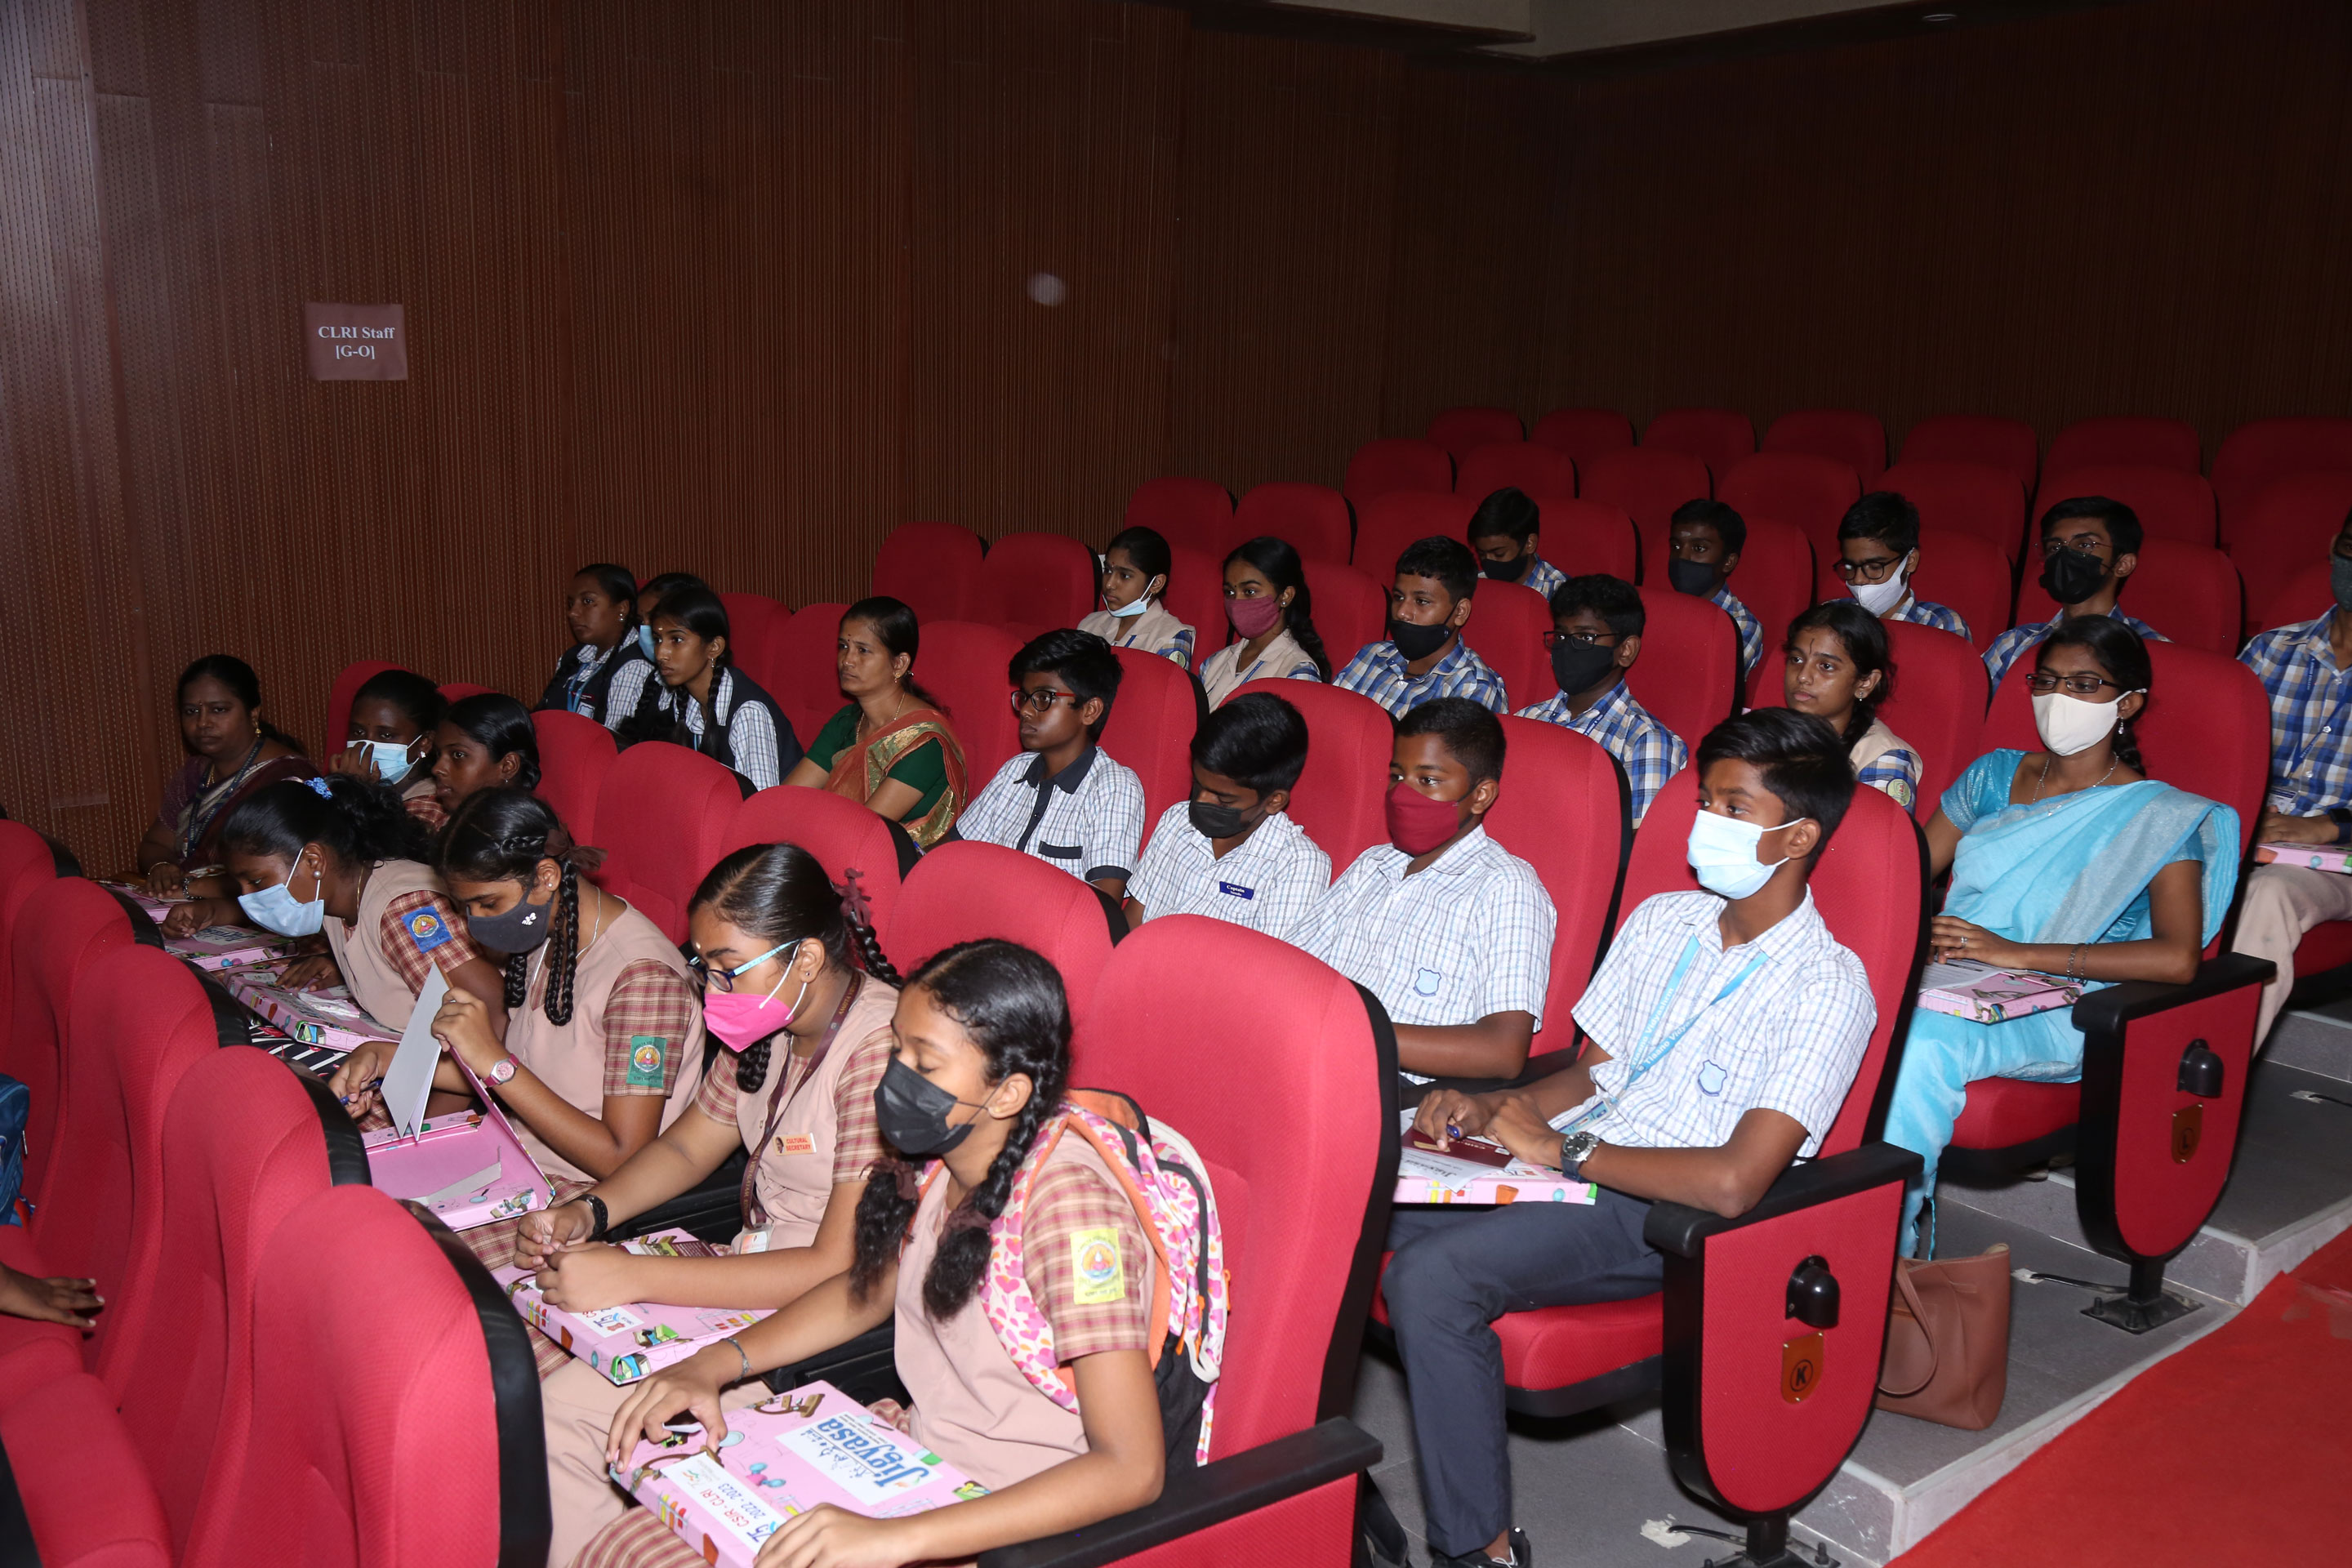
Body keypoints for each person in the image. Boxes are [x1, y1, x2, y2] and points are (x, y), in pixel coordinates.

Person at [1388, 709, 1874, 1568]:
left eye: (1735, 808)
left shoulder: (1828, 985)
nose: (1707, 823)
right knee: (1345, 1195)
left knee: (1434, 1278)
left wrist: (1562, 1152)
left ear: (1798, 836)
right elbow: (1593, 1075)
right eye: (1707, 802)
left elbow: (1735, 1182)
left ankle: (1481, 1553)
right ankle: (1307, 1480)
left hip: (1655, 1209)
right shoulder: (1664, 920)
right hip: (1567, 1159)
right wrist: (1495, 1108)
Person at [593, 940, 1170, 1568]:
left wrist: (895, 1540)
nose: (896, 1077)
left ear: (1007, 1095)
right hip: (917, 1467)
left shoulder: (1074, 1211)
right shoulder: (943, 1161)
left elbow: (1131, 1468)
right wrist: (716, 1362)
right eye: (897, 1048)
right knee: (636, 1540)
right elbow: (867, 1291)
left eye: (925, 1062)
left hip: (1010, 1523)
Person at [532, 843, 900, 1565]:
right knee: (545, 1374)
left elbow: (837, 1264)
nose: (712, 988)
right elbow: (686, 1148)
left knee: (569, 1420)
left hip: (815, 1315)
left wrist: (632, 1275)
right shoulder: (768, 1024)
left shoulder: (878, 1051)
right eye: (704, 966)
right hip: (747, 1271)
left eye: (729, 968)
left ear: (806, 960)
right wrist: (590, 1213)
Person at [1885, 618, 2237, 1253]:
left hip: (2065, 1003)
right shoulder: (1993, 776)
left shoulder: (2159, 816)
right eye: (2046, 681)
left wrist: (2013, 952)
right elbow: (1904, 879)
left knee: (1916, 1041)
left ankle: (1886, 1247)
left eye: (2083, 685)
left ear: (2128, 704)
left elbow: (2178, 957)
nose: (2058, 699)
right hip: (1952, 972)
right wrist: (1914, 932)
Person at [333, 788, 708, 1259]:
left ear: (546, 877)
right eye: (466, 907)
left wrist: (496, 1062)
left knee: (392, 1253)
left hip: (576, 1193)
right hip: (514, 1151)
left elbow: (622, 1157)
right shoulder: (548, 933)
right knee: (340, 1185)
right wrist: (386, 1058)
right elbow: (524, 1076)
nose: (475, 924)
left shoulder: (643, 981)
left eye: (488, 903)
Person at [1294, 699, 1554, 1082]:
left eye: (1428, 780)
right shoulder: (1374, 864)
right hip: (1308, 1054)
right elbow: (1294, 964)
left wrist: (1353, 1033)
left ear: (1481, 795)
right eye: (1397, 776)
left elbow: (1502, 1050)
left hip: (1393, 1084)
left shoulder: (1506, 888)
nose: (1403, 794)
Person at [163, 775, 507, 1031]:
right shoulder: (333, 901)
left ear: (313, 861)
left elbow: (487, 1008)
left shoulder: (404, 910)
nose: (247, 895)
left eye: (256, 881)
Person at [2232, 509, 2352, 1045]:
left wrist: (2329, 827)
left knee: (2272, 893)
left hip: (2340, 859)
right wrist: (2246, 803)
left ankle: (2217, 1069)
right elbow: (2221, 751)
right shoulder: (2271, 651)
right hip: (2254, 836)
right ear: (2334, 544)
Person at [950, 630, 1145, 901]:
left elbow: (1102, 906)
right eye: (1025, 697)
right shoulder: (1015, 771)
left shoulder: (1113, 788)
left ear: (1089, 711)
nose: (1026, 710)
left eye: (1043, 698)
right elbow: (949, 855)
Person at [1123, 692, 1330, 938]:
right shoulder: (1177, 821)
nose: (1201, 801)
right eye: (1198, 784)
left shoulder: (1297, 865)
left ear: (1274, 801)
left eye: (1223, 799)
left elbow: (1269, 961)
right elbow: (1132, 922)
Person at [782, 597, 969, 848]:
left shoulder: (924, 740)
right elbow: (787, 798)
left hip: (895, 860)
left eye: (863, 650)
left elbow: (861, 830)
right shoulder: (847, 721)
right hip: (830, 843)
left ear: (899, 664)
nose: (847, 660)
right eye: (843, 646)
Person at [137, 654, 317, 899]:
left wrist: (193, 889)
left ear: (253, 713)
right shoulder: (195, 772)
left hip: (262, 914)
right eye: (191, 711)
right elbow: (155, 844)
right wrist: (162, 868)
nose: (202, 722)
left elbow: (291, 872)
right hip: (187, 905)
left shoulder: (290, 777)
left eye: (218, 710)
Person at [1513, 575, 1687, 826]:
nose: (1568, 648)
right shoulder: (1526, 718)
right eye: (1561, 636)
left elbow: (1636, 844)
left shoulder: (1646, 741)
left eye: (1585, 638)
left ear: (1626, 650)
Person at [621, 586, 800, 794]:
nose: (661, 653)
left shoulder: (748, 712)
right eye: (658, 639)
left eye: (677, 640)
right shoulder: (680, 698)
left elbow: (760, 805)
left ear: (714, 648)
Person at [1982, 497, 2167, 686]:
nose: (2064, 555)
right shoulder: (2014, 644)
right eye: (2055, 547)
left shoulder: (2155, 653)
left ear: (2122, 564)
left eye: (2084, 545)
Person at [1332, 537, 1509, 718]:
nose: (1402, 612)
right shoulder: (1372, 655)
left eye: (1422, 601)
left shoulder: (1473, 689)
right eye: (1399, 597)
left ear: (1460, 612)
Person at [1782, 601, 1923, 812]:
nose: (1803, 676)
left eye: (1826, 666)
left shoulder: (1883, 759)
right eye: (1796, 659)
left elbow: (1873, 832)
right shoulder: (1768, 733)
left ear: (1865, 683)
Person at [1197, 536, 1330, 706]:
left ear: (1285, 596)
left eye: (1250, 592)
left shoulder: (1297, 673)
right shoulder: (1215, 662)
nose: (1236, 602)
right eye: (1229, 592)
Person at [1835, 491, 1971, 639]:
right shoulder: (1831, 617)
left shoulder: (1942, 626)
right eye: (1850, 567)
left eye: (1874, 567)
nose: (1858, 579)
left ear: (1910, 561)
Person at [538, 563, 654, 730]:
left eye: (587, 601)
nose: (572, 613)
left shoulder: (635, 664)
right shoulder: (572, 658)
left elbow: (616, 740)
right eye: (571, 604)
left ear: (622, 609)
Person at [1664, 499, 1764, 681]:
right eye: (1676, 547)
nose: (1682, 557)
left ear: (1728, 562)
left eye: (1699, 548)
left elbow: (1704, 686)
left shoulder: (1740, 626)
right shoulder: (1659, 610)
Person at [330, 668, 446, 821]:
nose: (367, 746)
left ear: (424, 743)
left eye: (386, 735)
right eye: (358, 732)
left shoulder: (430, 810)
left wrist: (356, 794)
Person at [1078, 526, 1196, 670]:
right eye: (1108, 570)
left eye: (1125, 576)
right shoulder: (1089, 625)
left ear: (1156, 583)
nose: (1109, 584)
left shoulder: (1171, 637)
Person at [427, 693, 542, 827]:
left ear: (508, 766)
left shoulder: (522, 835)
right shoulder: (454, 825)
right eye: (438, 754)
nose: (436, 769)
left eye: (458, 755)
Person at [1464, 488, 1566, 600]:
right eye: (1482, 554)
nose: (1489, 562)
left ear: (1530, 543)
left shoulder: (1559, 593)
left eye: (1499, 554)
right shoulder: (1475, 585)